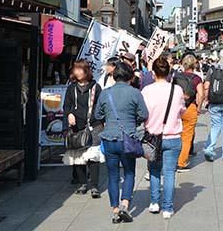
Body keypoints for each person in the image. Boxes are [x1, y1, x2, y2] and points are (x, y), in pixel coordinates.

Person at [94, 61, 149, 224]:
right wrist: (133, 120)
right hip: (128, 138)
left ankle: (115, 209)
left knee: (113, 175)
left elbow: (97, 115)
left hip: (109, 138)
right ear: (129, 76)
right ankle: (125, 205)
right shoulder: (135, 93)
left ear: (114, 75)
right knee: (129, 172)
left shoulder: (105, 93)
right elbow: (144, 114)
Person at [141, 57, 186, 219]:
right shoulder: (177, 90)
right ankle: (167, 208)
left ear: (153, 73)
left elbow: (142, 113)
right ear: (168, 73)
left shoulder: (146, 91)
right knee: (169, 173)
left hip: (153, 137)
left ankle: (154, 202)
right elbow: (182, 110)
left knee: (153, 170)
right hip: (172, 136)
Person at [63, 59, 103, 197]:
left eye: (81, 69)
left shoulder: (95, 87)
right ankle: (82, 183)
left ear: (86, 70)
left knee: (93, 157)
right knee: (78, 155)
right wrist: (69, 115)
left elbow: (101, 106)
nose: (78, 72)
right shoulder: (71, 88)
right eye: (76, 69)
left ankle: (95, 186)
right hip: (76, 126)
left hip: (94, 125)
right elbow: (66, 106)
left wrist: (99, 120)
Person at [175, 54, 204, 171]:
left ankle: (174, 157)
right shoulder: (197, 78)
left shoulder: (176, 77)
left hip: (176, 107)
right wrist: (199, 107)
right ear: (194, 64)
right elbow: (201, 94)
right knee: (187, 136)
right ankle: (181, 162)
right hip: (190, 107)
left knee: (176, 133)